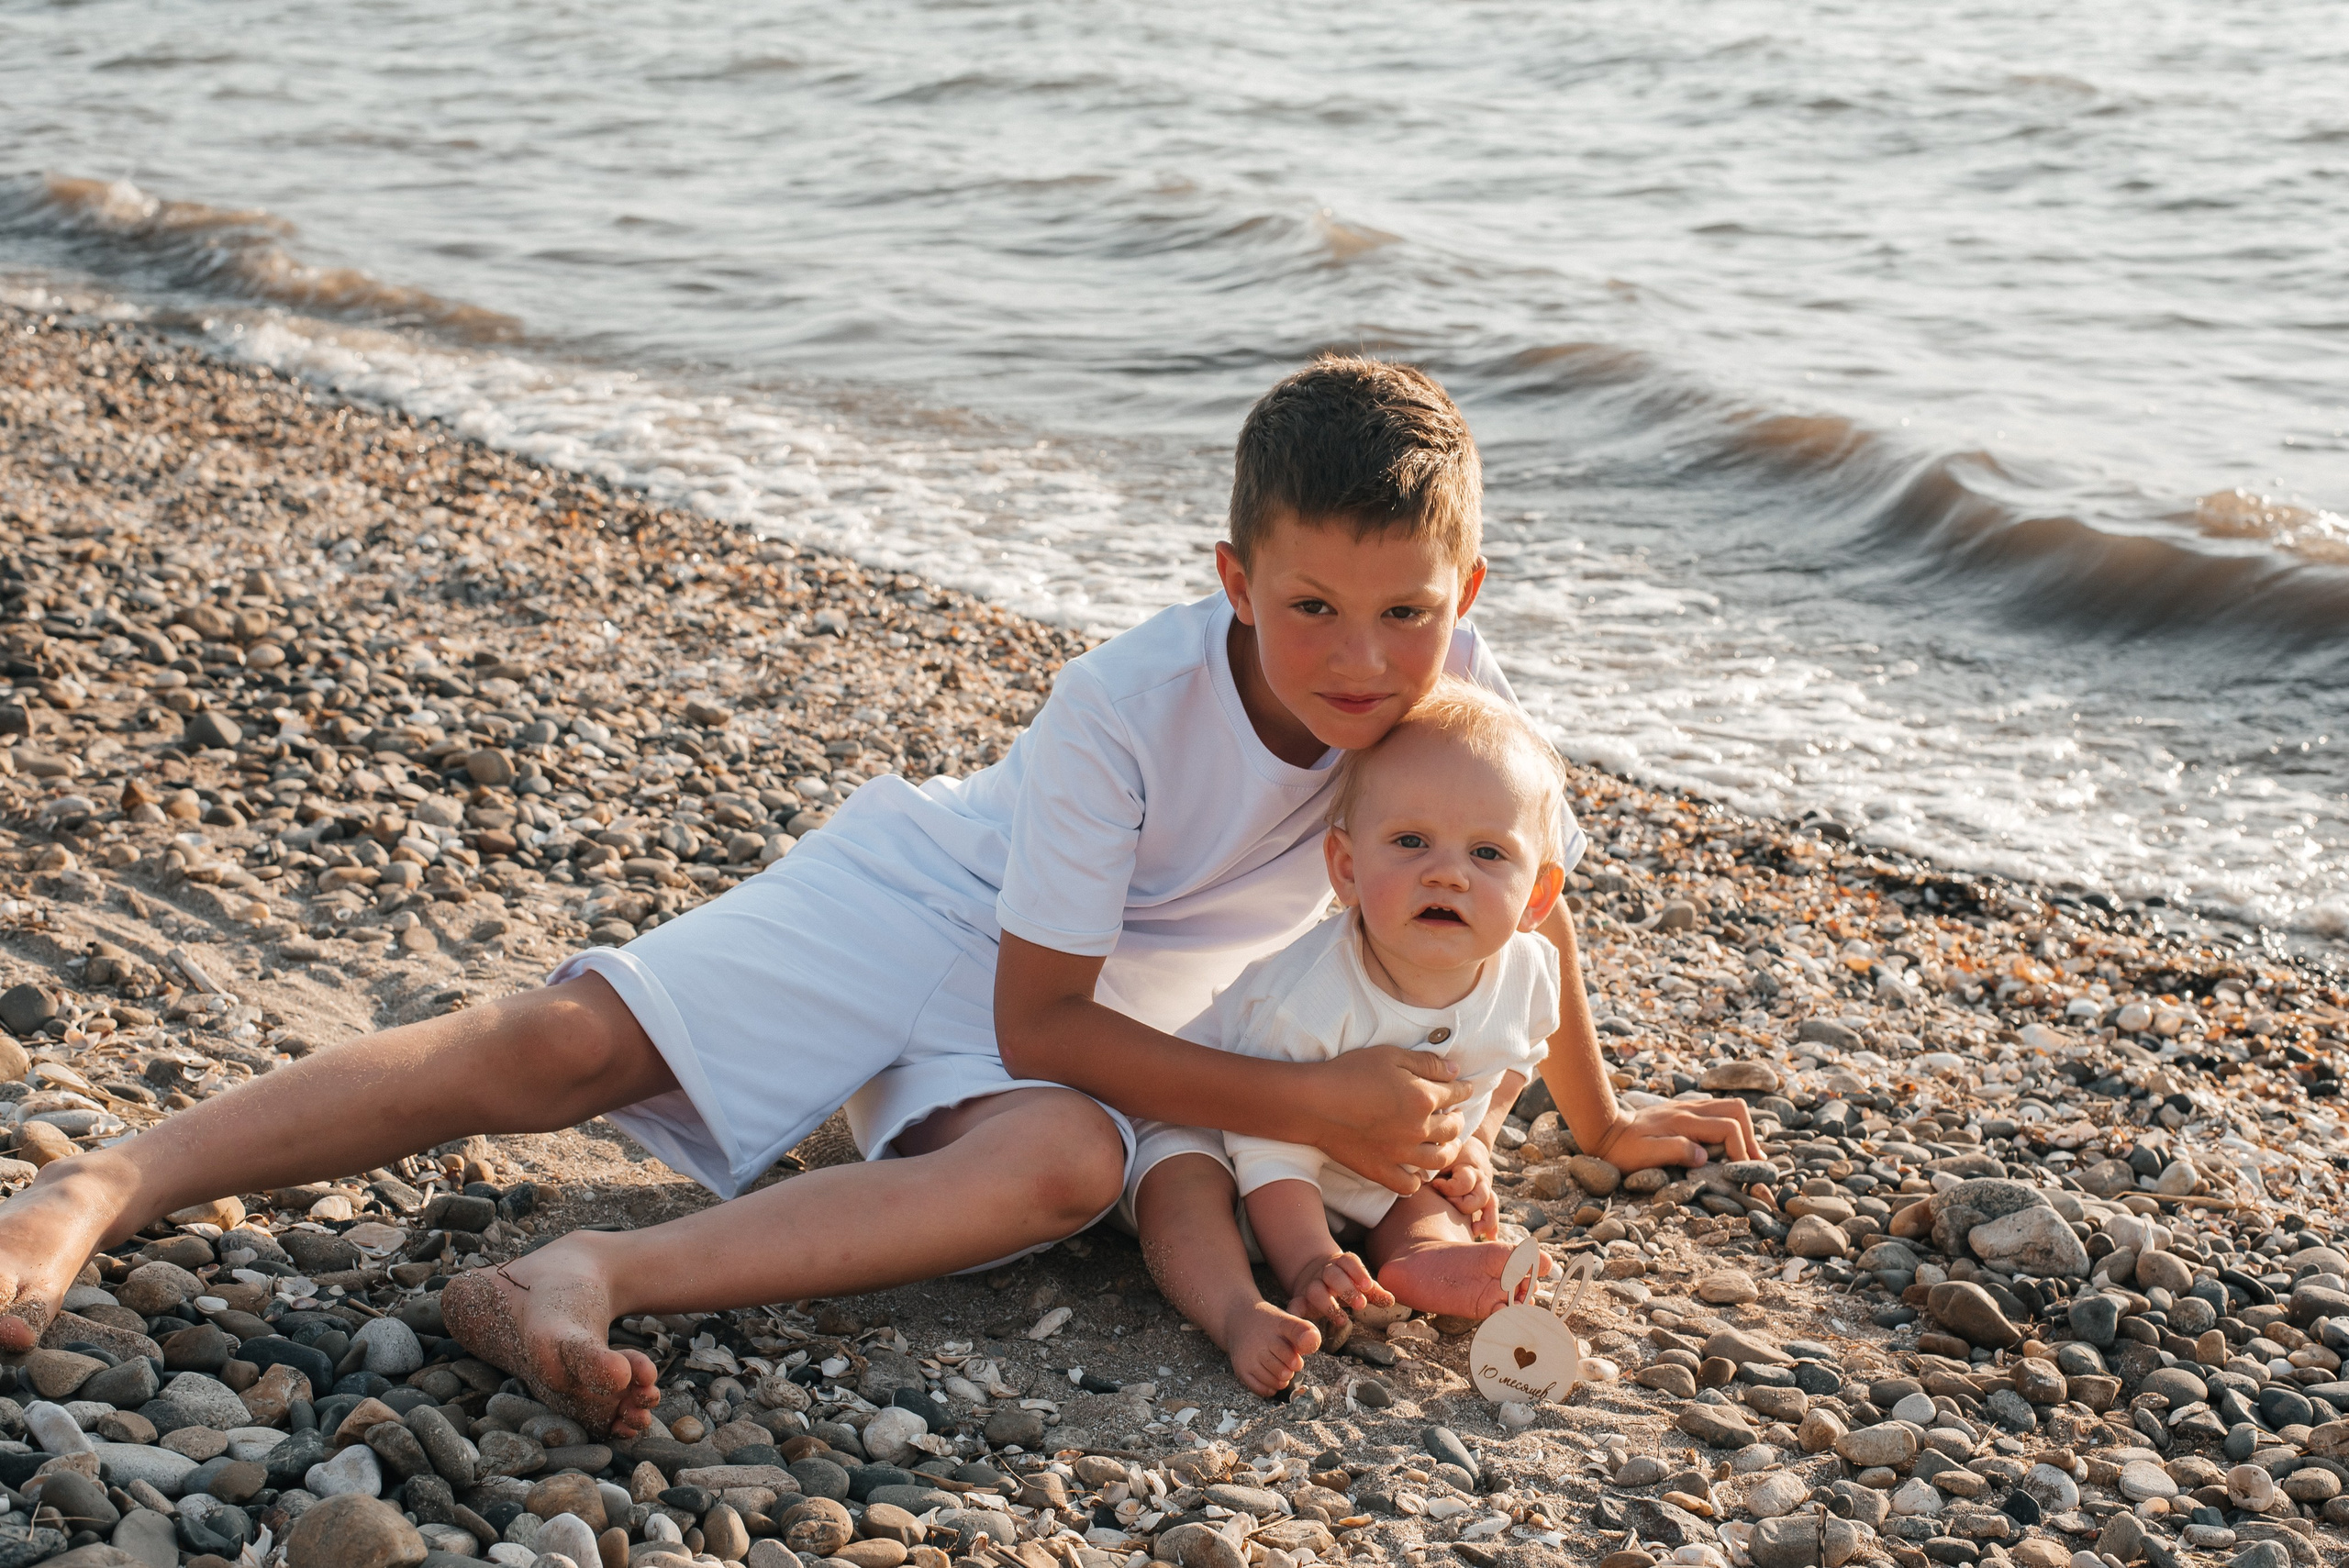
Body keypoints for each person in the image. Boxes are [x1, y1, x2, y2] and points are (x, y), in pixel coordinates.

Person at [0, 356, 1755, 1436]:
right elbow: (1032, 1009)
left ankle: (583, 1269)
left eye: (1408, 612)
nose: (1363, 660)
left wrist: (1595, 1118)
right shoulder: (1121, 708)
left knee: (1059, 1167)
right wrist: (1312, 1102)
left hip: (1124, 1015)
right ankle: (104, 1179)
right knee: (560, 1047)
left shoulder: (1474, 706)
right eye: (1310, 608)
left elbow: (1538, 908)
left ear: (1468, 584)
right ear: (1233, 575)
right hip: (946, 906)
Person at [1137, 678, 1582, 1394]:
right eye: (1410, 842)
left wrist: (1472, 1143)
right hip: (1232, 1133)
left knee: (1426, 1190)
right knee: (1179, 1183)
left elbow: (1513, 1060)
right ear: (1347, 867)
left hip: (1370, 1158)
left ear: (1538, 894)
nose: (1447, 872)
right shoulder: (1310, 994)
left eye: (1489, 854)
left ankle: (1424, 1256)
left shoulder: (1530, 972)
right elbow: (1266, 1137)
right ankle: (1238, 1310)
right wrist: (1309, 1258)